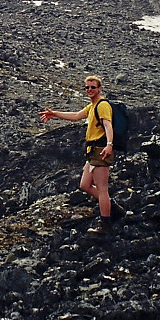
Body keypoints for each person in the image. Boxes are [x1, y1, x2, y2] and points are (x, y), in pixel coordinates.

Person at [39, 75, 121, 234]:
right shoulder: (92, 107)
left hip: (100, 149)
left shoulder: (103, 105)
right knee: (84, 185)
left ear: (99, 89)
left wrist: (109, 145)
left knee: (102, 188)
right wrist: (54, 113)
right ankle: (113, 207)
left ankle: (106, 225)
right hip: (92, 151)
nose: (90, 90)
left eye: (93, 87)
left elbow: (108, 125)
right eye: (87, 87)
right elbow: (76, 116)